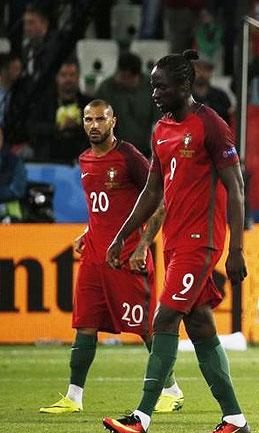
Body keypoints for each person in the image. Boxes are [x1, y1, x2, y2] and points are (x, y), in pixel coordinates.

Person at [102, 50, 249, 433]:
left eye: (161, 85)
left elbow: (236, 188)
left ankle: (141, 417)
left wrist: (236, 249)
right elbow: (152, 190)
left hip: (202, 242)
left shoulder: (211, 126)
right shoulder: (161, 129)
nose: (154, 92)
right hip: (176, 241)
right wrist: (122, 236)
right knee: (199, 324)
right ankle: (235, 420)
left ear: (185, 85)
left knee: (163, 319)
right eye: (152, 85)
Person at [39, 99, 183, 414]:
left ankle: (171, 389)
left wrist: (144, 245)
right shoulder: (85, 159)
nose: (94, 125)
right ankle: (73, 397)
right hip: (94, 257)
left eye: (100, 119)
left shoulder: (129, 157)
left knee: (145, 327)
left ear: (113, 121)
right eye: (88, 120)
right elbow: (102, 209)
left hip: (128, 255)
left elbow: (159, 199)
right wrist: (87, 234)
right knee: (85, 323)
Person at [95, 52, 160, 157]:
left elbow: (160, 121)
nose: (121, 79)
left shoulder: (151, 89)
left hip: (142, 151)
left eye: (126, 77)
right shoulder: (106, 88)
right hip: (113, 151)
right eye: (120, 75)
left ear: (136, 76)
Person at [28, 58, 92, 163]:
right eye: (63, 75)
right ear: (56, 77)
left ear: (78, 77)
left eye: (72, 75)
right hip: (49, 160)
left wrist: (77, 127)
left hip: (81, 162)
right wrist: (59, 126)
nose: (68, 79)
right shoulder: (43, 103)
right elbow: (32, 128)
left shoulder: (89, 104)